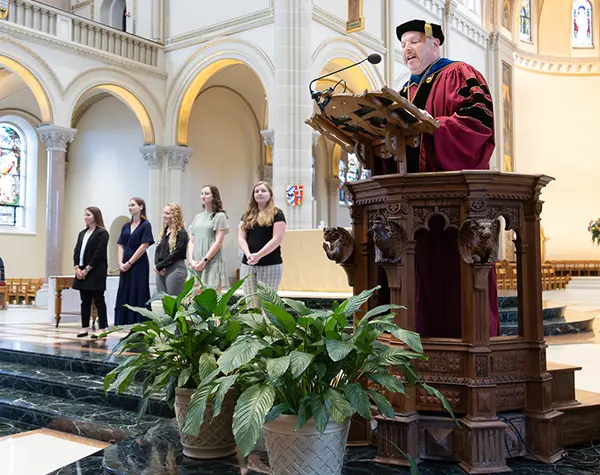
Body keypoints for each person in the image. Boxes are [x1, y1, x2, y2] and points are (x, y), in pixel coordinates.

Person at [394, 19, 500, 338]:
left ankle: (470, 346)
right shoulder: (403, 92)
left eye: (414, 41)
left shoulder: (459, 74)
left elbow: (479, 123)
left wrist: (435, 126)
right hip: (410, 207)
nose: (407, 48)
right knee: (419, 279)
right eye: (403, 45)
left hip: (456, 204)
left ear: (435, 44)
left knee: (457, 279)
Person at [238, 181, 286, 304]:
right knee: (250, 302)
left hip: (270, 263)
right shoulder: (247, 215)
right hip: (248, 263)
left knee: (267, 303)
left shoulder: (277, 214)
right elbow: (241, 238)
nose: (259, 193)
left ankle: (267, 324)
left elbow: (277, 239)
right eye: (257, 191)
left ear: (270, 194)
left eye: (263, 191)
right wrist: (249, 254)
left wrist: (258, 255)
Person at [114, 197, 155, 327]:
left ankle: (140, 323)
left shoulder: (145, 225)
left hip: (139, 264)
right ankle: (125, 321)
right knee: (125, 289)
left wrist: (130, 262)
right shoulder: (126, 226)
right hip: (125, 264)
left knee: (138, 290)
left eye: (132, 205)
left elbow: (144, 245)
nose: (130, 207)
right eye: (129, 205)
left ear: (141, 207)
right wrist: (120, 262)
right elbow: (121, 245)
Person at [72, 207, 109, 339]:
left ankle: (103, 328)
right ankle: (84, 327)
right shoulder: (82, 233)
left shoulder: (102, 233)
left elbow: (98, 253)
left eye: (88, 215)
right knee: (84, 300)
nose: (85, 217)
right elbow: (77, 250)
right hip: (81, 269)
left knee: (98, 299)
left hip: (96, 271)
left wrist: (87, 269)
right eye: (85, 215)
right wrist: (77, 267)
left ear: (95, 216)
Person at [188, 185, 229, 292]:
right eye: (202, 193)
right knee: (195, 295)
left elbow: (219, 242)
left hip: (212, 260)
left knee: (212, 296)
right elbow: (192, 240)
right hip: (196, 260)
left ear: (214, 196)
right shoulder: (198, 217)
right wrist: (191, 260)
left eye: (206, 193)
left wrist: (205, 260)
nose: (203, 196)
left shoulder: (219, 216)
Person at [155, 203, 188, 296]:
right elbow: (158, 250)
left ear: (175, 215)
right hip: (161, 270)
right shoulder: (164, 232)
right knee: (162, 300)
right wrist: (157, 265)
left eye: (167, 213)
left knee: (173, 301)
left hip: (175, 269)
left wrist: (160, 265)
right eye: (163, 213)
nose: (164, 216)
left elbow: (178, 253)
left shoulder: (181, 233)